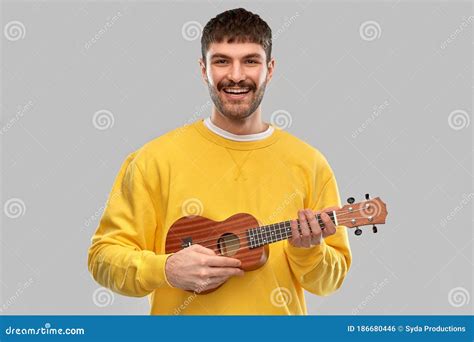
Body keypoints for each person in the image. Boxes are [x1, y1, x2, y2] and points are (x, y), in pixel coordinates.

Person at [88, 7, 352, 315]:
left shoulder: (310, 163)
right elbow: (103, 258)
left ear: (270, 68)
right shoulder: (153, 159)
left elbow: (330, 283)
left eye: (251, 61)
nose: (236, 75)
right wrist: (165, 269)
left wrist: (309, 251)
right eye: (222, 61)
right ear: (203, 69)